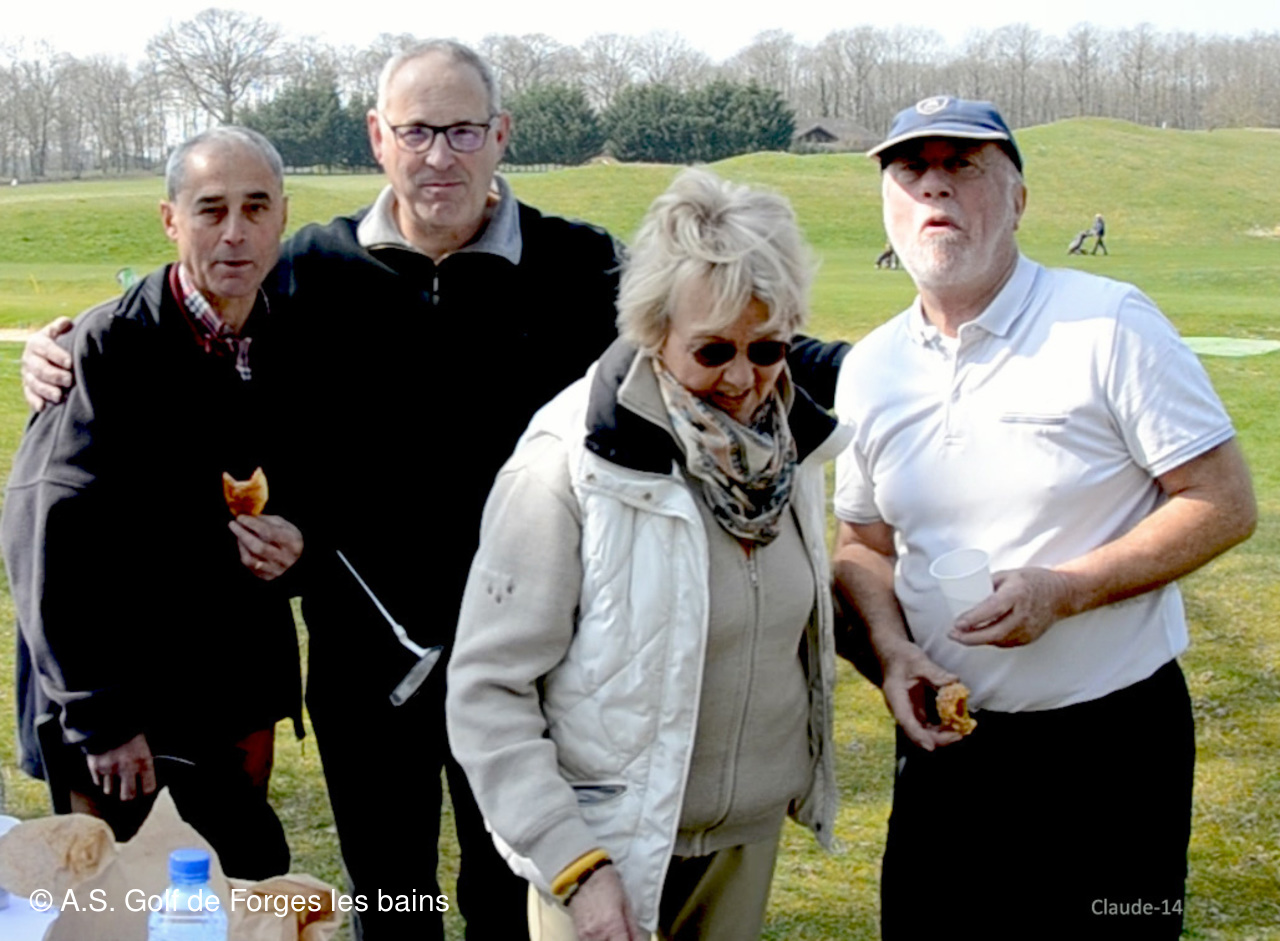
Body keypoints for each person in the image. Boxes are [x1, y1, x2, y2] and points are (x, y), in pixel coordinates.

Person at [20, 39, 618, 941]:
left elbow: (696, 345)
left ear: (501, 134)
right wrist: (62, 347)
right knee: (392, 896)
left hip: (528, 656)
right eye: (417, 131)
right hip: (367, 663)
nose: (440, 155)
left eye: (463, 131)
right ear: (379, 137)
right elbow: (200, 319)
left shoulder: (582, 267)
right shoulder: (309, 265)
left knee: (510, 893)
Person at [831, 96, 1256, 940]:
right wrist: (891, 648)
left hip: (1111, 752)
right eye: (912, 170)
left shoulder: (1108, 322)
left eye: (963, 165)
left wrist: (1066, 589)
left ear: (1019, 199)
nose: (934, 187)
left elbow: (1222, 501)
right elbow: (862, 545)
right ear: (887, 206)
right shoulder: (872, 366)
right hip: (946, 752)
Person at [446, 168, 850, 941]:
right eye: (712, 350)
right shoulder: (563, 463)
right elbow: (487, 690)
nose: (743, 378)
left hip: (744, 844)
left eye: (769, 347)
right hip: (602, 856)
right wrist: (574, 864)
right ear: (652, 330)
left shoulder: (786, 447)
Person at [1, 127, 304, 880]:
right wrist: (102, 719)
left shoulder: (286, 338)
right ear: (171, 220)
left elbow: (313, 482)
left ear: (282, 215)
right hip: (121, 711)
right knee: (117, 902)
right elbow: (45, 539)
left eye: (255, 207)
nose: (235, 232)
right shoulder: (103, 349)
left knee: (238, 893)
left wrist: (298, 540)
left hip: (231, 690)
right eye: (211, 209)